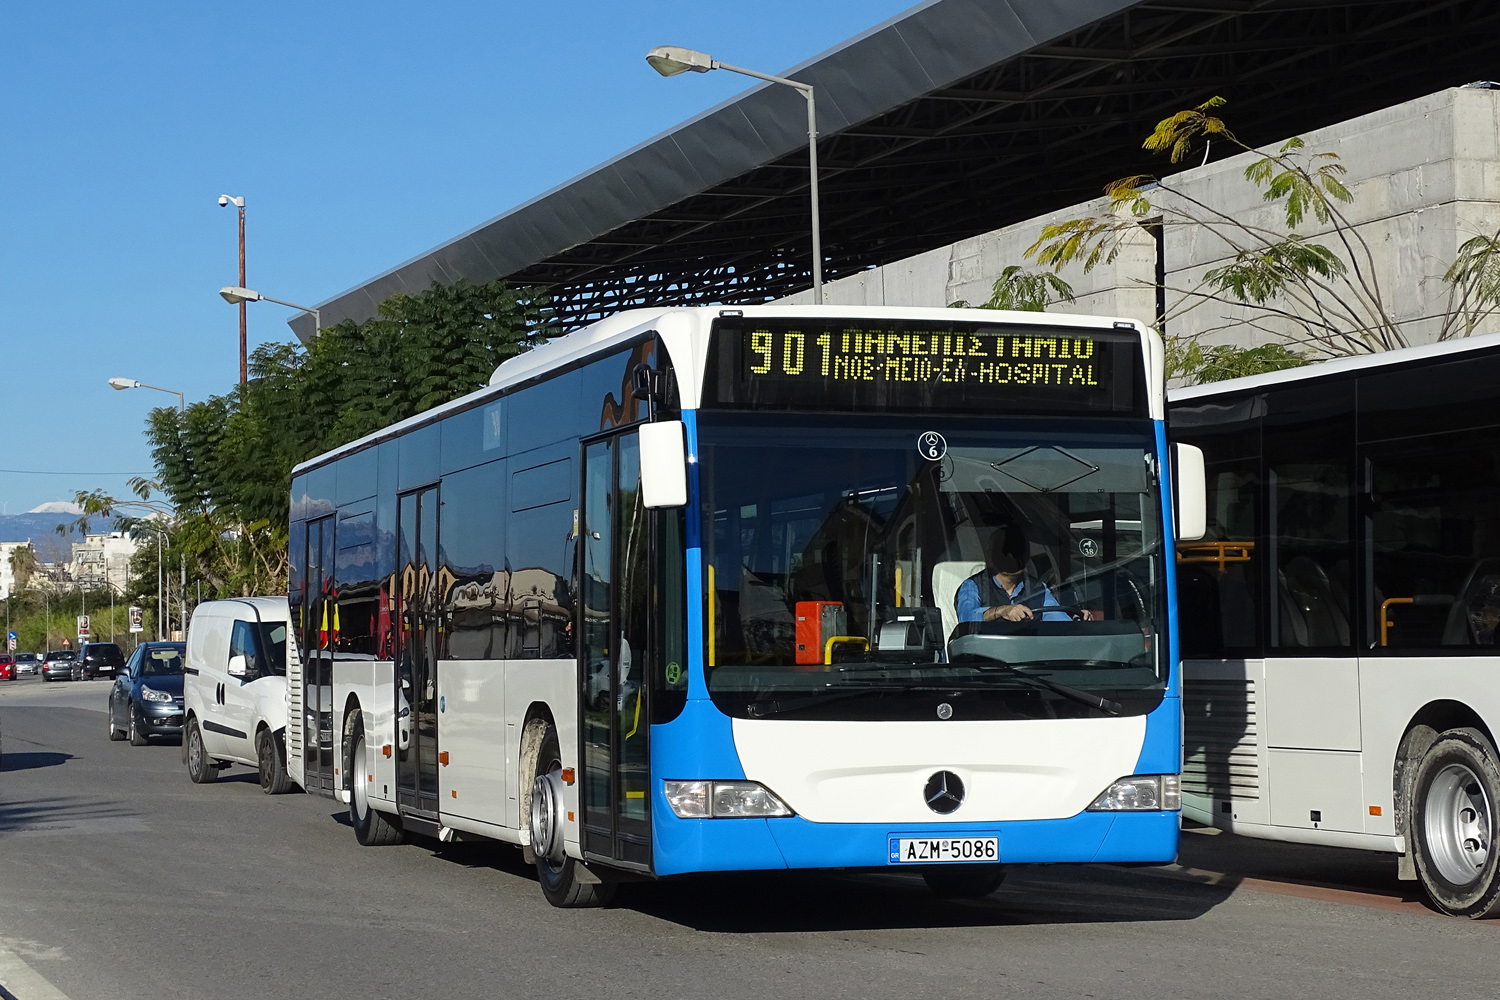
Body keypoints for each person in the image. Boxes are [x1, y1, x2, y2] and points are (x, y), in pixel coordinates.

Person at [956, 524, 1070, 623]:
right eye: (1005, 553)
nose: (1011, 557)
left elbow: (1056, 616)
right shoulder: (973, 585)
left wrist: (1075, 621)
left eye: (1018, 552)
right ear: (989, 555)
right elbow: (966, 619)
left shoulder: (1038, 588)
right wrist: (1000, 611)